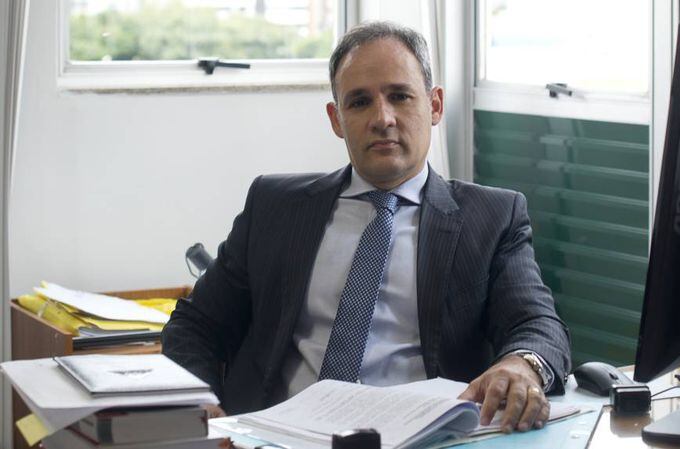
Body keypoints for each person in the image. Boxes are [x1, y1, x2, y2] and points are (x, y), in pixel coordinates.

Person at [162, 21, 570, 434]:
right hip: (276, 433)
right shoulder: (275, 206)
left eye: (400, 96)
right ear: (336, 119)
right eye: (359, 102)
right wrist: (200, 401)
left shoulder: (492, 217)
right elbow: (196, 325)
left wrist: (522, 364)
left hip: (420, 437)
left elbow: (537, 326)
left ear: (434, 106)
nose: (383, 118)